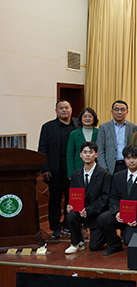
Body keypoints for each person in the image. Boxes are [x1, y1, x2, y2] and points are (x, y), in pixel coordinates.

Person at [97, 144, 137, 255]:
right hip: (121, 215)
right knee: (102, 219)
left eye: (135, 158)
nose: (131, 161)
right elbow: (113, 198)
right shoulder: (117, 176)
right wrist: (116, 212)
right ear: (124, 159)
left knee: (128, 241)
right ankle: (115, 244)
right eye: (128, 158)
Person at [39, 99, 80, 238]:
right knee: (55, 199)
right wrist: (44, 169)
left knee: (73, 198)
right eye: (61, 108)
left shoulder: (78, 124)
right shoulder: (48, 127)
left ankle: (69, 225)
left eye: (66, 107)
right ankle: (55, 227)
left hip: (74, 168)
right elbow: (42, 149)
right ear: (56, 111)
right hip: (55, 168)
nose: (64, 110)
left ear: (71, 109)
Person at [64, 142, 111, 254]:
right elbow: (74, 195)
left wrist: (89, 210)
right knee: (71, 216)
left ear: (96, 155)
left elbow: (105, 197)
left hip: (97, 213)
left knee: (95, 247)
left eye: (91, 152)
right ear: (81, 155)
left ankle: (106, 236)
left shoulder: (104, 174)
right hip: (81, 211)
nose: (88, 155)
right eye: (85, 152)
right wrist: (71, 205)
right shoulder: (75, 175)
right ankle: (77, 243)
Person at [96, 100, 137, 175]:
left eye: (122, 110)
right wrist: (103, 167)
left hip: (128, 165)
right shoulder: (104, 127)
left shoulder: (133, 127)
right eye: (116, 109)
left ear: (127, 112)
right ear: (112, 112)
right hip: (110, 166)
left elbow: (135, 148)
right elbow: (100, 148)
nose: (119, 112)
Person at [66, 107, 99, 178]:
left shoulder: (99, 132)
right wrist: (71, 173)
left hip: (96, 170)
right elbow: (70, 155)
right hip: (78, 170)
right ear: (81, 118)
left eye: (90, 116)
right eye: (85, 116)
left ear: (94, 118)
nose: (87, 118)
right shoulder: (74, 134)